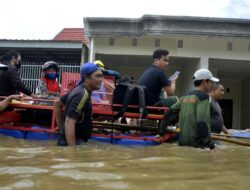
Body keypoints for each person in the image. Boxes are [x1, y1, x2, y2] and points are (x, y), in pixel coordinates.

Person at [156, 69, 219, 150]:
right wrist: (210, 145)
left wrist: (160, 133)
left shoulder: (184, 96)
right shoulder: (204, 97)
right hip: (197, 145)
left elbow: (169, 113)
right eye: (210, 81)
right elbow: (202, 122)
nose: (211, 84)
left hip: (182, 143)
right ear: (204, 82)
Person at [55, 62, 103, 146]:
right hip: (74, 143)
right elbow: (69, 122)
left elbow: (57, 103)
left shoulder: (78, 90)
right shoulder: (82, 94)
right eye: (97, 76)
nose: (100, 80)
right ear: (87, 78)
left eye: (101, 76)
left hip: (71, 141)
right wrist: (72, 151)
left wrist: (60, 127)